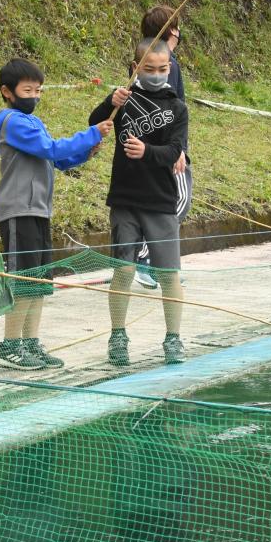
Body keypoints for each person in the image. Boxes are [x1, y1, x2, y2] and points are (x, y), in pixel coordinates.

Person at [0, 58, 111, 370]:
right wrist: (91, 133)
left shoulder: (33, 124)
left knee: (39, 282)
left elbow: (58, 160)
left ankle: (30, 343)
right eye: (28, 90)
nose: (35, 96)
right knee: (24, 279)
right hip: (19, 211)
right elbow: (51, 149)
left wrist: (86, 150)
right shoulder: (13, 122)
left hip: (39, 210)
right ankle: (10, 346)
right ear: (7, 92)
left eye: (39, 90)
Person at [89, 38, 189, 366]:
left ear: (170, 69)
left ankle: (173, 337)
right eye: (149, 69)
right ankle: (118, 336)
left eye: (162, 69)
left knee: (168, 273)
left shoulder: (177, 107)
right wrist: (108, 101)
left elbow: (176, 151)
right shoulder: (125, 99)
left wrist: (148, 153)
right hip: (124, 199)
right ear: (135, 69)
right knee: (124, 269)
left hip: (160, 200)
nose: (156, 75)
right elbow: (96, 123)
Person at [133, 5, 190, 290]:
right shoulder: (168, 65)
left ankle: (153, 262)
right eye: (177, 28)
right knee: (176, 203)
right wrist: (176, 150)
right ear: (171, 31)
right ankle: (144, 260)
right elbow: (172, 107)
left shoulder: (144, 60)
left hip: (147, 147)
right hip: (165, 149)